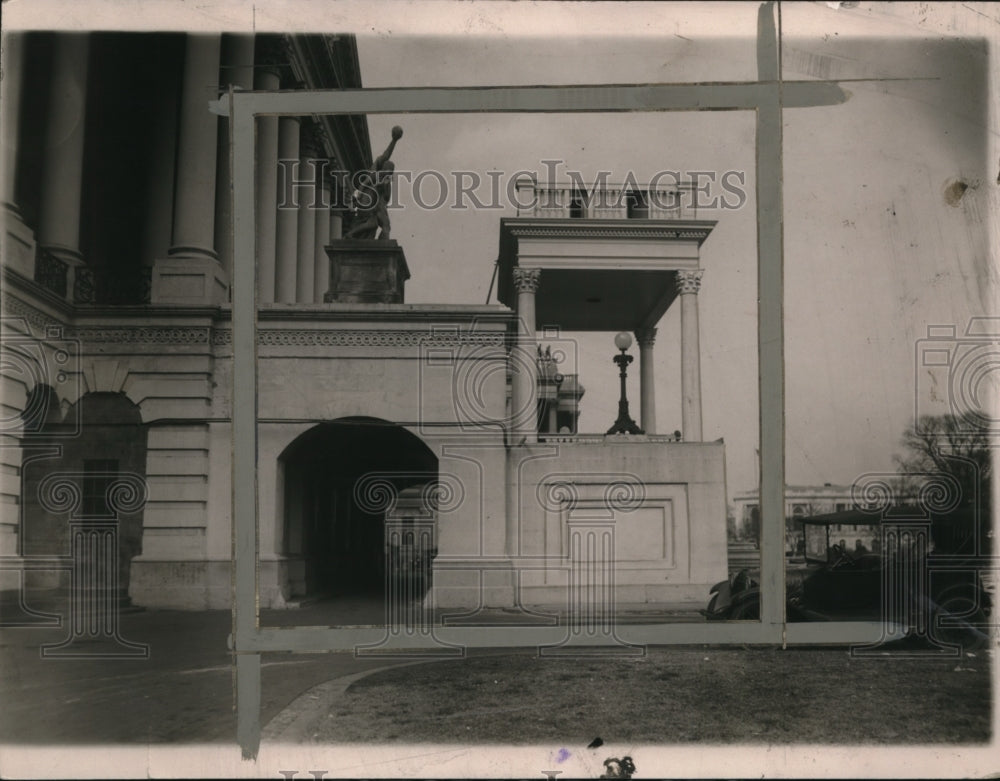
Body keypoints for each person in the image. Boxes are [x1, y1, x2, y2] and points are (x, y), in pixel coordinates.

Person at [345, 125, 403, 240]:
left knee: (377, 225)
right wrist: (394, 141)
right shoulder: (377, 173)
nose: (390, 173)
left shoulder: (385, 180)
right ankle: (352, 235)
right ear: (384, 167)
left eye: (391, 171)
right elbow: (365, 183)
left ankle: (354, 235)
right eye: (389, 170)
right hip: (368, 202)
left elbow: (385, 199)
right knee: (376, 224)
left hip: (374, 204)